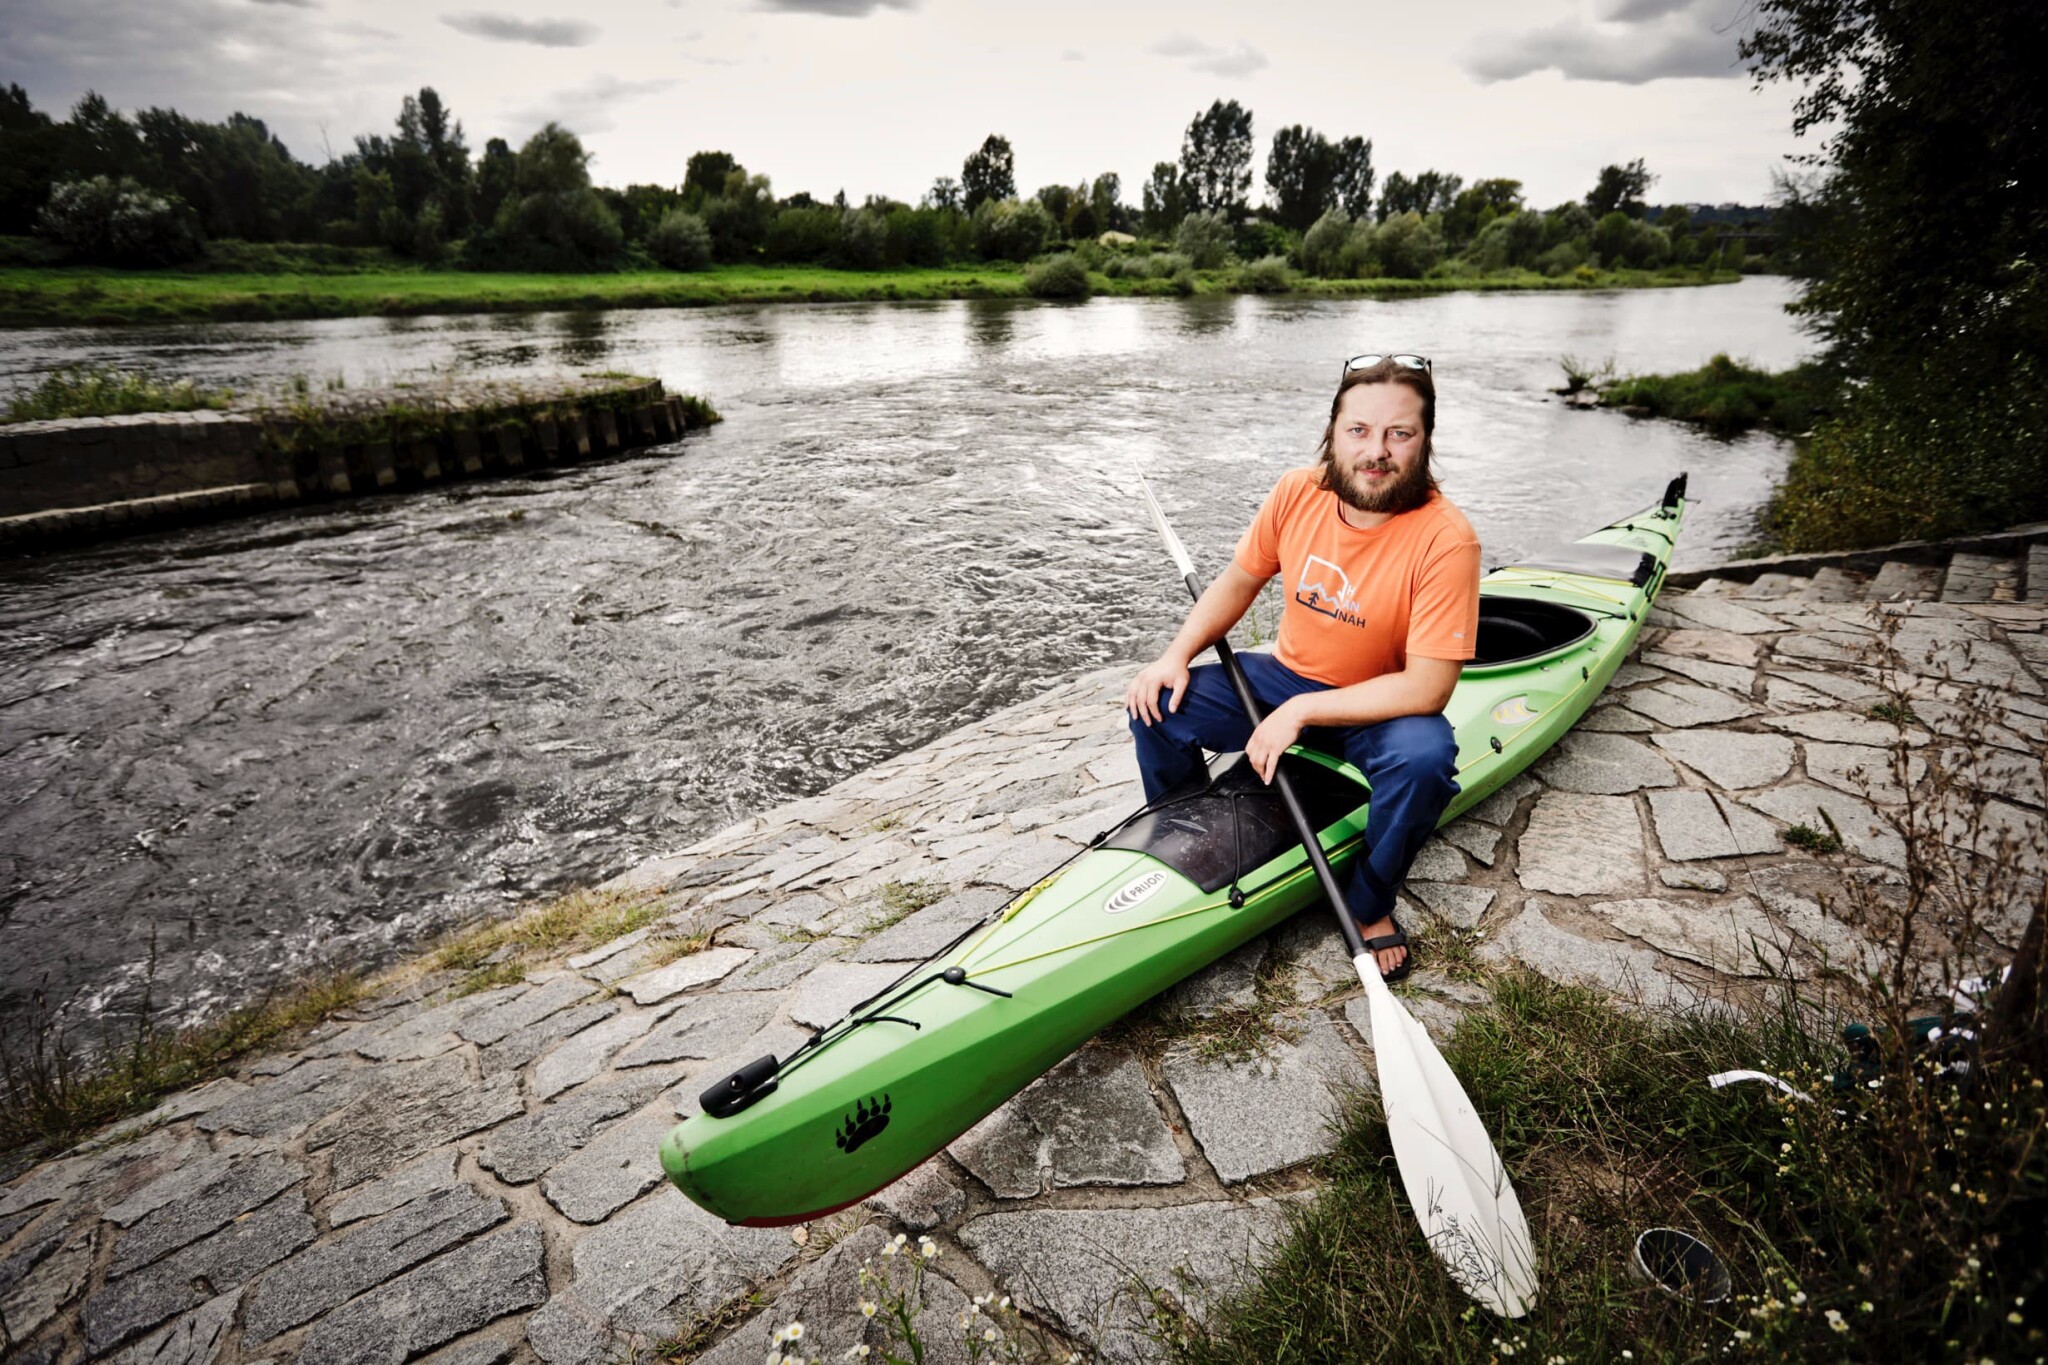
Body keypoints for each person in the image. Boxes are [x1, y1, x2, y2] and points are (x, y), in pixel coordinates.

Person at [1123, 354, 1481, 981]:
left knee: (1425, 761)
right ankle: (1191, 836)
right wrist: (1174, 656)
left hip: (1378, 703)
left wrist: (1301, 712)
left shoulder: (1447, 539)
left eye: (1400, 433)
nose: (1378, 450)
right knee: (1158, 704)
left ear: (1424, 441)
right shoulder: (1297, 492)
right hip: (1284, 676)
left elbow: (1428, 687)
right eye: (1360, 430)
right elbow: (1238, 583)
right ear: (1333, 431)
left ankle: (1369, 901)